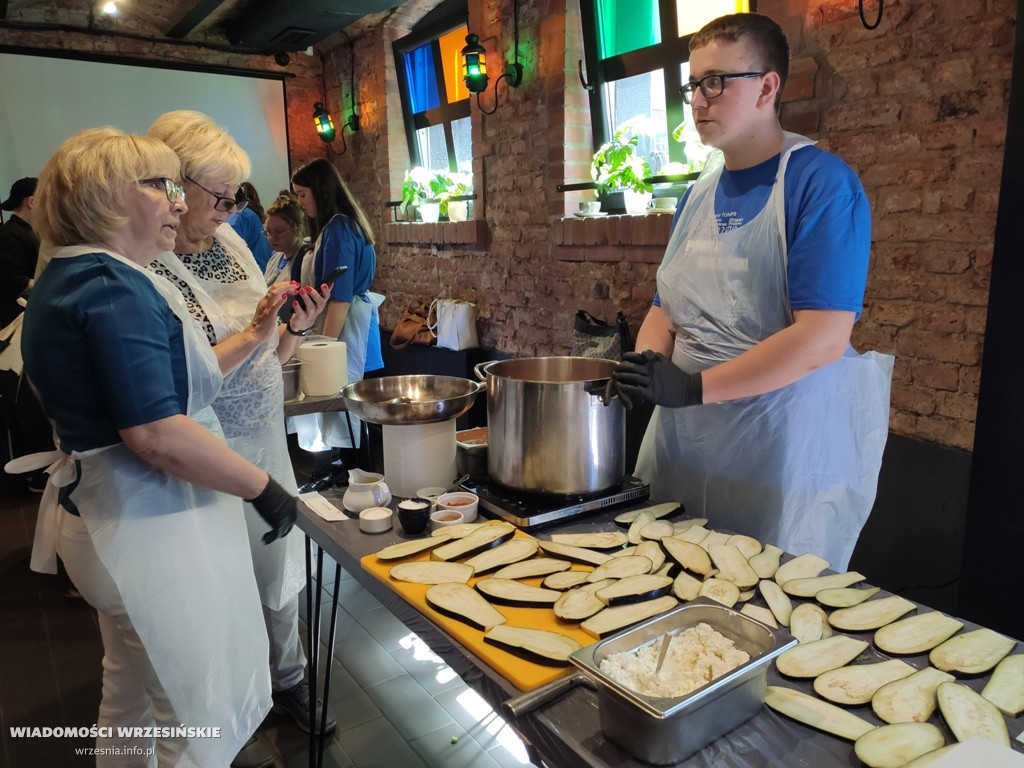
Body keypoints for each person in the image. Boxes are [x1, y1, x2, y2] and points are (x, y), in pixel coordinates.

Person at [19, 127, 298, 766]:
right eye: (161, 186)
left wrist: (259, 333)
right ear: (102, 197)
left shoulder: (78, 275)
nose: (179, 203)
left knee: (129, 690)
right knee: (189, 712)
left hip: (100, 519)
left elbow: (177, 378)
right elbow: (154, 434)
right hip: (139, 521)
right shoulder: (112, 286)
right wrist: (265, 490)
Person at [608, 13, 892, 571]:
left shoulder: (820, 185)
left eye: (716, 81)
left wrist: (692, 388)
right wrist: (647, 365)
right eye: (693, 84)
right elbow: (668, 306)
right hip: (686, 445)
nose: (698, 99)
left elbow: (821, 338)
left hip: (781, 451)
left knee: (762, 604)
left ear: (767, 86)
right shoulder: (697, 195)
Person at [146, 110, 337, 739]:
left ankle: (289, 680)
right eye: (220, 197)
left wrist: (290, 333)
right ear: (173, 187)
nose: (232, 211)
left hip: (263, 431)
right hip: (207, 451)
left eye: (235, 197)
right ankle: (228, 704)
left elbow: (260, 356)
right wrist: (258, 331)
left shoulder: (228, 244)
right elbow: (181, 379)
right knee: (221, 584)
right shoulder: (149, 266)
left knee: (279, 571)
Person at [290, 158, 384, 492]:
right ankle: (345, 474)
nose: (300, 203)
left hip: (344, 329)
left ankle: (349, 479)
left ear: (321, 190)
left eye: (303, 194)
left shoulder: (340, 229)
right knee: (347, 411)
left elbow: (339, 297)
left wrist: (322, 346)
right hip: (347, 326)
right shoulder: (341, 225)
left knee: (342, 408)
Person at [0, 177, 39, 326]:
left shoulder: (27, 232)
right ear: (31, 202)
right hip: (17, 319)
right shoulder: (9, 235)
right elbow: (11, 278)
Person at [263, 190, 309, 287]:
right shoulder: (274, 258)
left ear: (298, 229)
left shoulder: (306, 260)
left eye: (279, 231)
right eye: (268, 232)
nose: (271, 238)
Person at [228, 181, 273, 271]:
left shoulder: (239, 217)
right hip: (262, 269)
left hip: (250, 272)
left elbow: (229, 248)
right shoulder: (249, 214)